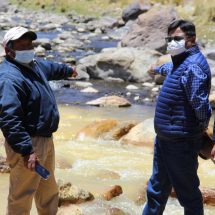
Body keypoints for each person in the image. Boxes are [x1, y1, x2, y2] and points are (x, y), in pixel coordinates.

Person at [0, 26, 77, 215]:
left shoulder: (33, 65)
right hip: (28, 143)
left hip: (45, 139)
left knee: (48, 190)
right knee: (22, 195)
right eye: (22, 45)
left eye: (30, 44)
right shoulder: (9, 77)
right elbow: (9, 118)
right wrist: (27, 151)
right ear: (9, 49)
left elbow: (51, 68)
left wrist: (69, 70)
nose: (28, 48)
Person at [142, 19, 212, 215]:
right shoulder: (180, 61)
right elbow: (171, 70)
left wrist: (200, 132)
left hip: (181, 142)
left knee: (188, 195)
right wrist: (155, 69)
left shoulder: (193, 67)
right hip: (165, 139)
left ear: (191, 39)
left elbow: (200, 105)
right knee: (156, 190)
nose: (171, 42)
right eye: (169, 38)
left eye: (177, 38)